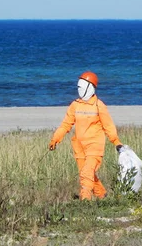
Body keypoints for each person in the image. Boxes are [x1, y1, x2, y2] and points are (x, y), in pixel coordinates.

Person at [49, 71, 123, 200]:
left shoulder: (99, 106)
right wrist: (55, 139)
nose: (79, 90)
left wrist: (116, 142)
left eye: (82, 87)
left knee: (87, 172)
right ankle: (102, 195)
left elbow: (108, 126)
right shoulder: (75, 105)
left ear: (90, 87)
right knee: (85, 173)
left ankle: (85, 199)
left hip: (95, 145)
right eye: (78, 87)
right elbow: (66, 124)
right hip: (79, 146)